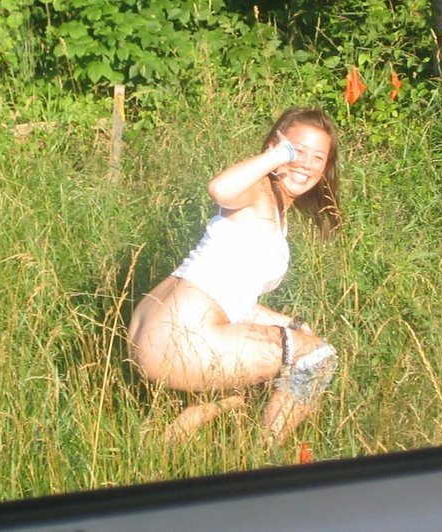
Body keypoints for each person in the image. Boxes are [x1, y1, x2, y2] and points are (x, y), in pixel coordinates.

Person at [128, 107, 343, 444]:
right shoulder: (257, 191)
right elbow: (220, 188)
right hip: (180, 338)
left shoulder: (274, 205)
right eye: (297, 150)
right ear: (274, 145)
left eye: (318, 157)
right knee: (317, 357)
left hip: (155, 330)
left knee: (268, 368)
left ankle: (164, 444)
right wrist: (278, 156)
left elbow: (229, 295)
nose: (304, 164)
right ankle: (266, 458)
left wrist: (292, 323)